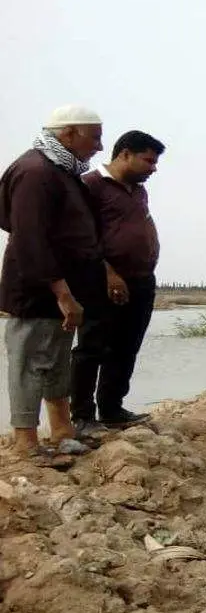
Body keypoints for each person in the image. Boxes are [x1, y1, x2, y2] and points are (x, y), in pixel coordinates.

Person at [0, 105, 107, 458]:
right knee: (29, 363)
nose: (99, 146)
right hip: (38, 290)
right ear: (69, 133)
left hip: (63, 289)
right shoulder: (36, 171)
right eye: (95, 137)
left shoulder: (61, 170)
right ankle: (25, 444)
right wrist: (60, 290)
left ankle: (62, 431)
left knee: (56, 361)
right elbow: (29, 235)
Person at [71, 130, 165, 433]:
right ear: (125, 153)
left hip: (141, 281)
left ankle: (111, 409)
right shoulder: (90, 185)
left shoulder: (138, 190)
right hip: (102, 281)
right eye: (148, 161)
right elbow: (84, 238)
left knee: (126, 347)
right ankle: (83, 417)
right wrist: (109, 272)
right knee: (92, 347)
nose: (154, 168)